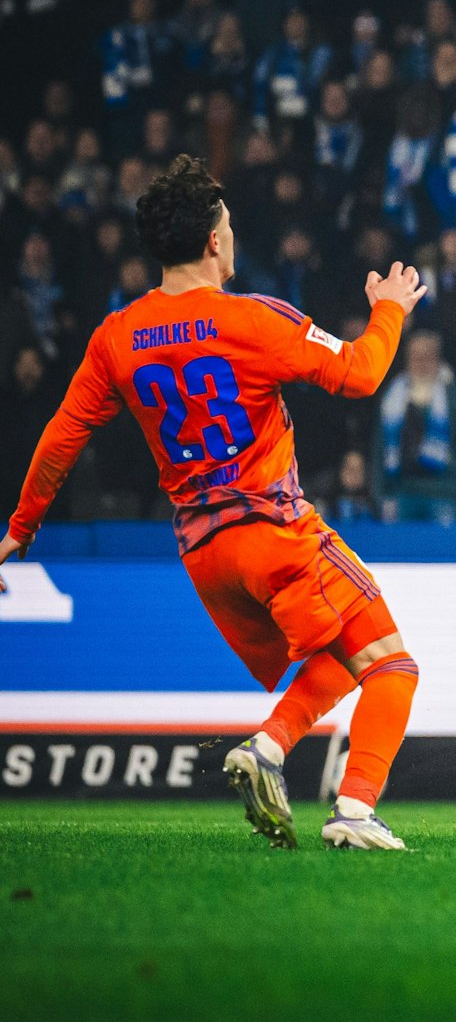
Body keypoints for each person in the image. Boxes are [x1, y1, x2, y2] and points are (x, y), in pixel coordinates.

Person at [0, 156, 425, 851]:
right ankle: (351, 808)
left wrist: (20, 527)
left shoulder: (117, 337)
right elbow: (359, 372)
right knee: (393, 664)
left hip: (203, 555)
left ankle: (270, 747)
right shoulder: (253, 320)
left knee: (348, 656)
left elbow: (62, 434)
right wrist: (390, 310)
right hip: (272, 529)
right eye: (227, 225)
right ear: (213, 242)